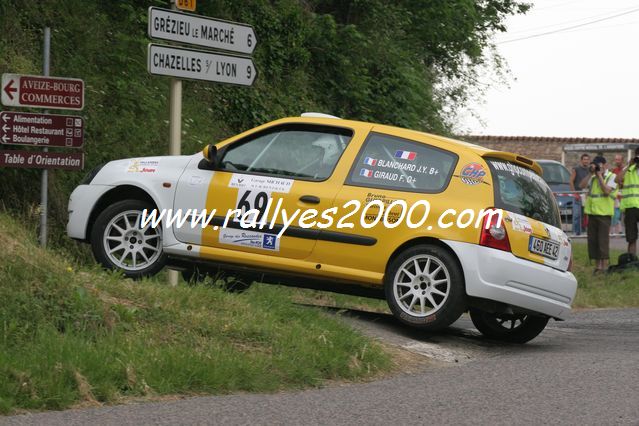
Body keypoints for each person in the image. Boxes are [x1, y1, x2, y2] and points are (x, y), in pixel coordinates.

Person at [580, 155, 617, 273]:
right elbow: (581, 186)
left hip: (604, 214)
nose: (597, 166)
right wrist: (590, 174)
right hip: (592, 213)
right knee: (593, 241)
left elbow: (607, 191)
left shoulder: (612, 176)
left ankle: (604, 267)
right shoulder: (593, 177)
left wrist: (599, 175)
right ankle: (597, 267)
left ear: (605, 165)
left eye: (599, 164)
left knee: (603, 241)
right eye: (595, 164)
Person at [618, 147, 639, 255]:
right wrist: (629, 165)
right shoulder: (629, 169)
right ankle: (632, 261)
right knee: (632, 237)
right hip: (631, 207)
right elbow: (617, 180)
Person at [569, 153, 590, 235]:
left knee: (585, 215)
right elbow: (571, 181)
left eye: (587, 159)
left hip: (587, 195)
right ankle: (575, 232)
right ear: (581, 160)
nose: (586, 161)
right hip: (578, 195)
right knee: (577, 215)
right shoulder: (576, 169)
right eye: (584, 159)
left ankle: (584, 231)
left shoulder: (590, 170)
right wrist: (574, 194)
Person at [610, 154, 625, 235]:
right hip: (616, 195)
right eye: (616, 159)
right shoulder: (614, 170)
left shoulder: (626, 169)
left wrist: (621, 182)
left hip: (626, 194)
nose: (617, 161)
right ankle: (618, 230)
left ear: (622, 160)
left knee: (624, 214)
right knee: (616, 213)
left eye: (618, 160)